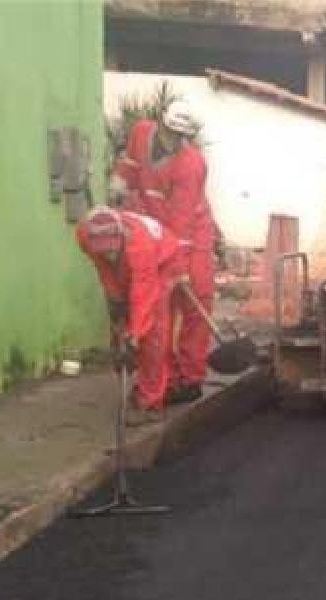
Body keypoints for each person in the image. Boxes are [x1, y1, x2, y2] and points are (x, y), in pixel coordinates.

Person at [113, 100, 219, 406]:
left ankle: (191, 377)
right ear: (162, 123)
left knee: (195, 298)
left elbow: (182, 220)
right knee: (161, 308)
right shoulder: (141, 133)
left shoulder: (191, 164)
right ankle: (166, 378)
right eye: (170, 132)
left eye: (179, 136)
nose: (172, 141)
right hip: (152, 229)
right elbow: (129, 165)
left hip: (191, 234)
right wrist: (119, 186)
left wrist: (179, 265)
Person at [75, 207, 180, 426]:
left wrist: (133, 337)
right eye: (103, 251)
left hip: (163, 263)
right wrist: (116, 303)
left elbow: (143, 296)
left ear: (122, 237)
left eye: (112, 250)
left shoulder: (140, 247)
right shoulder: (84, 236)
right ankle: (148, 382)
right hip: (126, 266)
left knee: (152, 335)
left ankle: (151, 402)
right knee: (123, 320)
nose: (108, 254)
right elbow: (104, 268)